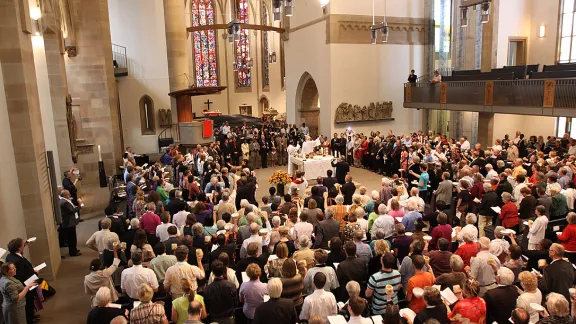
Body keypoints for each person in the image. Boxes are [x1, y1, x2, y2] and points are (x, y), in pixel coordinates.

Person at [5, 238, 38, 324]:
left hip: (24, 283)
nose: (24, 245)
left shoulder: (10, 255)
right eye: (23, 245)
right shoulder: (18, 260)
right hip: (26, 284)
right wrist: (34, 272)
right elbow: (22, 275)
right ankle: (30, 319)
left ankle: (31, 315)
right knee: (29, 303)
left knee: (29, 304)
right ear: (19, 248)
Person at [60, 189, 82, 257]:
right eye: (68, 194)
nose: (70, 195)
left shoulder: (64, 201)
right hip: (69, 223)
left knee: (72, 238)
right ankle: (73, 252)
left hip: (69, 222)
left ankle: (74, 249)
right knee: (72, 238)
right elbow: (72, 211)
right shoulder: (64, 202)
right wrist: (79, 206)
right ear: (65, 195)